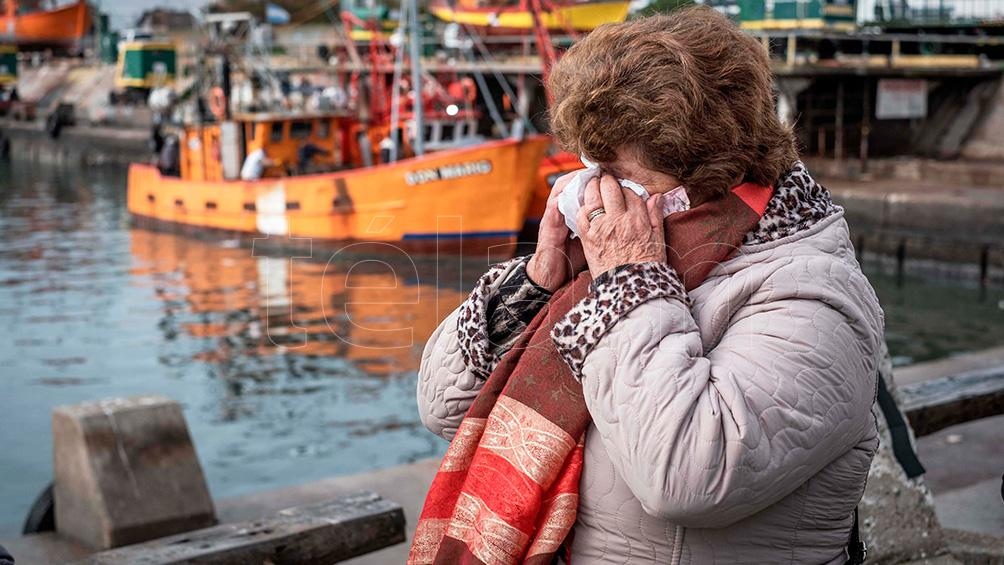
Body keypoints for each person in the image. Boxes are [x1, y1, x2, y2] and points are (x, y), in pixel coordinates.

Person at [412, 7, 884, 565]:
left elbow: (687, 477)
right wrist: (541, 283)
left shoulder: (814, 296)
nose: (593, 190)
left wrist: (629, 282)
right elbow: (444, 408)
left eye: (621, 176)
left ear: (704, 173)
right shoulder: (625, 261)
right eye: (591, 166)